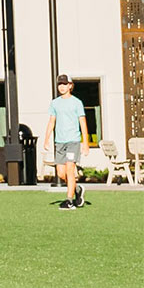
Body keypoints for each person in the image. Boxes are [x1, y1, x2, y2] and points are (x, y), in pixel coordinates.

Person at [45, 74, 89, 209]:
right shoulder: (54, 103)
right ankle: (77, 190)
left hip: (73, 141)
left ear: (70, 85)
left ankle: (69, 201)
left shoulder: (77, 103)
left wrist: (85, 143)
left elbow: (83, 123)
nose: (62, 87)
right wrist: (46, 139)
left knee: (70, 170)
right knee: (61, 173)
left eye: (65, 84)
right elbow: (52, 121)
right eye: (60, 84)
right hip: (59, 142)